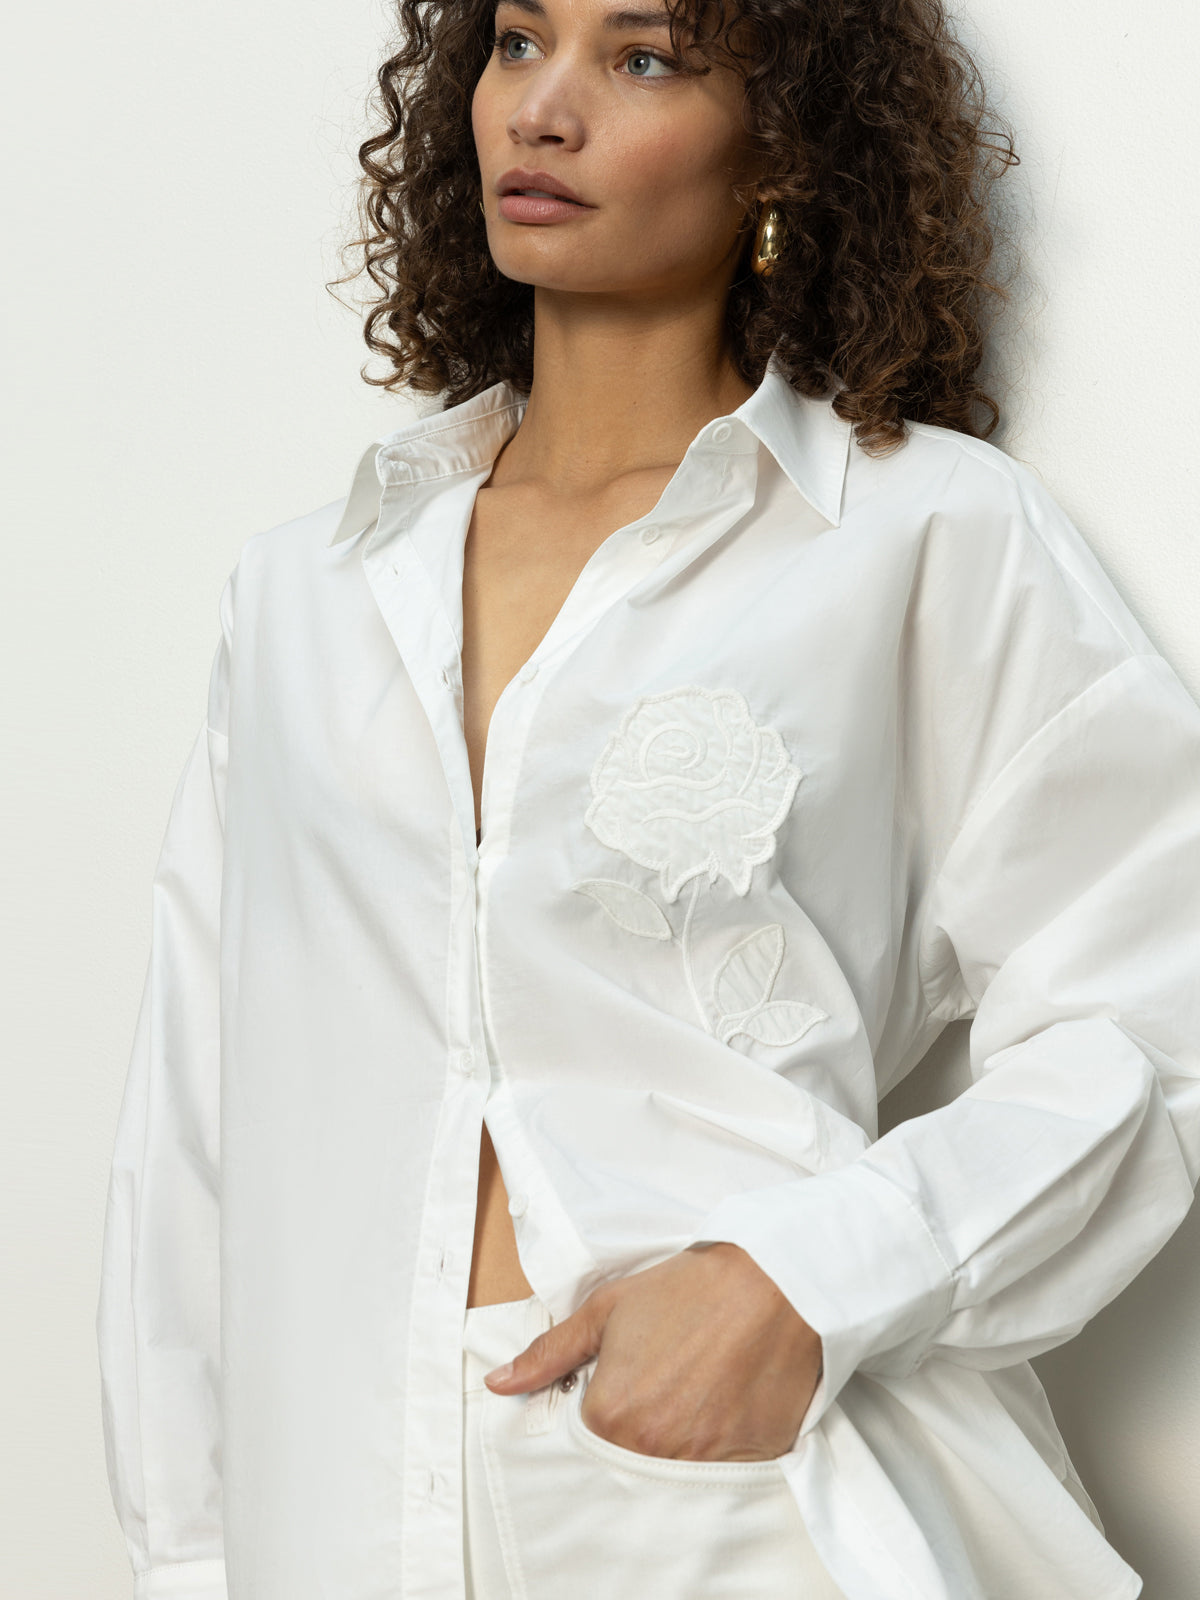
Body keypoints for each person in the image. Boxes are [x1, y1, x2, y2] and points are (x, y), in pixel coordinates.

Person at [95, 0, 1200, 1595]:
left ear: (783, 146)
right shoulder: (307, 594)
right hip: (338, 1506)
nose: (542, 112)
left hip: (734, 1497)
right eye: (518, 42)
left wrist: (798, 1283)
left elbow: (1159, 1000)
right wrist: (187, 1561)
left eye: (644, 59)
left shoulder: (918, 537)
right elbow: (195, 1129)